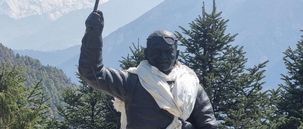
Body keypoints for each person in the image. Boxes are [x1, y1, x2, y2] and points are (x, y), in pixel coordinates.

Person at [79, 11, 218, 129]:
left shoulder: (191, 86)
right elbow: (92, 73)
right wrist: (93, 36)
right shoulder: (132, 82)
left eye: (168, 52)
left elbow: (209, 125)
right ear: (146, 53)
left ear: (177, 54)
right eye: (157, 51)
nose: (162, 57)